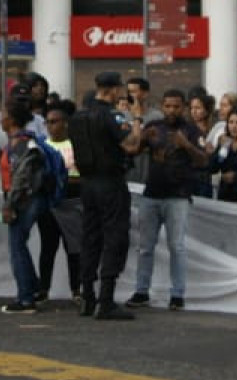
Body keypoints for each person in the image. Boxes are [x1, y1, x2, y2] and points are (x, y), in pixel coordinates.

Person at [69, 70, 143, 319]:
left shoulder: (78, 117)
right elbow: (131, 145)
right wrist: (137, 121)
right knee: (115, 237)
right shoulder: (111, 115)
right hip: (110, 182)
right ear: (112, 90)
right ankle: (106, 299)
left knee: (90, 238)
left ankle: (87, 296)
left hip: (87, 184)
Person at [128, 88, 208, 310]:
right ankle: (142, 291)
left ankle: (177, 294)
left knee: (177, 247)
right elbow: (132, 150)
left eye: (176, 106)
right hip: (151, 194)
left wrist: (187, 145)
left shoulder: (191, 131)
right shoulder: (153, 128)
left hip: (178, 197)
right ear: (162, 106)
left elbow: (203, 161)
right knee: (145, 247)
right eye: (167, 106)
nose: (171, 110)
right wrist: (141, 136)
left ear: (183, 107)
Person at [0, 98, 49, 314]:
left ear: (10, 119)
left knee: (17, 247)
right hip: (27, 200)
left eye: (2, 114)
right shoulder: (18, 143)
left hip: (23, 201)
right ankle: (33, 289)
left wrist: (10, 205)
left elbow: (19, 177)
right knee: (20, 245)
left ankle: (25, 298)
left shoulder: (20, 145)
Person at [38, 100, 84, 305]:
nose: (50, 126)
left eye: (54, 121)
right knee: (48, 248)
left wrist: (66, 178)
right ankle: (43, 290)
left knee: (73, 249)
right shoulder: (42, 146)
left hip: (71, 202)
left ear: (65, 123)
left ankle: (77, 289)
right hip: (49, 204)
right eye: (47, 122)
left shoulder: (76, 144)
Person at [209, 107, 237, 202]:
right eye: (231, 122)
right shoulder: (225, 143)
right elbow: (212, 168)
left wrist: (236, 177)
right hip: (224, 195)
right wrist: (221, 148)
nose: (234, 126)